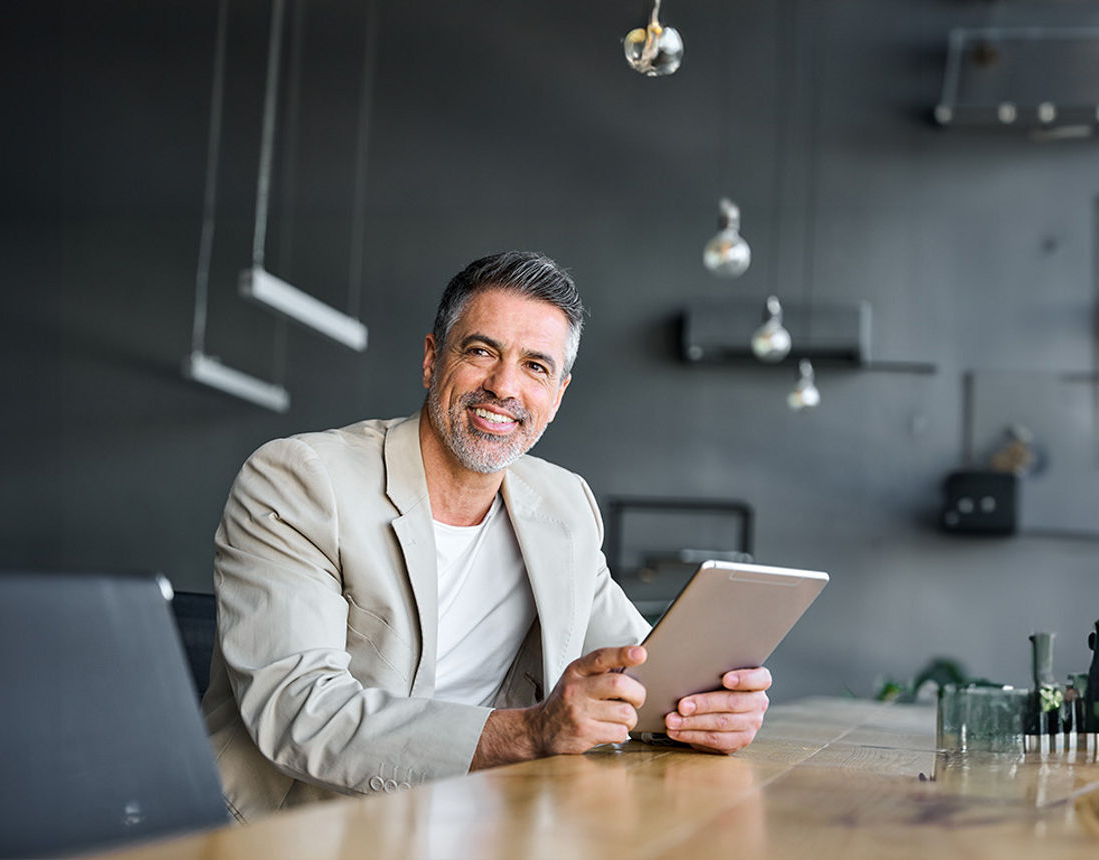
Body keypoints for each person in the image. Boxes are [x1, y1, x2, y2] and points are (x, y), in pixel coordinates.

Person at [200, 251, 772, 822]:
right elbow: (301, 715)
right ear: (432, 360)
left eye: (536, 367)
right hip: (304, 828)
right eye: (481, 352)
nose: (504, 387)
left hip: (475, 820)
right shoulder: (301, 479)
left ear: (558, 396)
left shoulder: (564, 505)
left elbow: (641, 674)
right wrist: (531, 732)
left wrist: (705, 706)